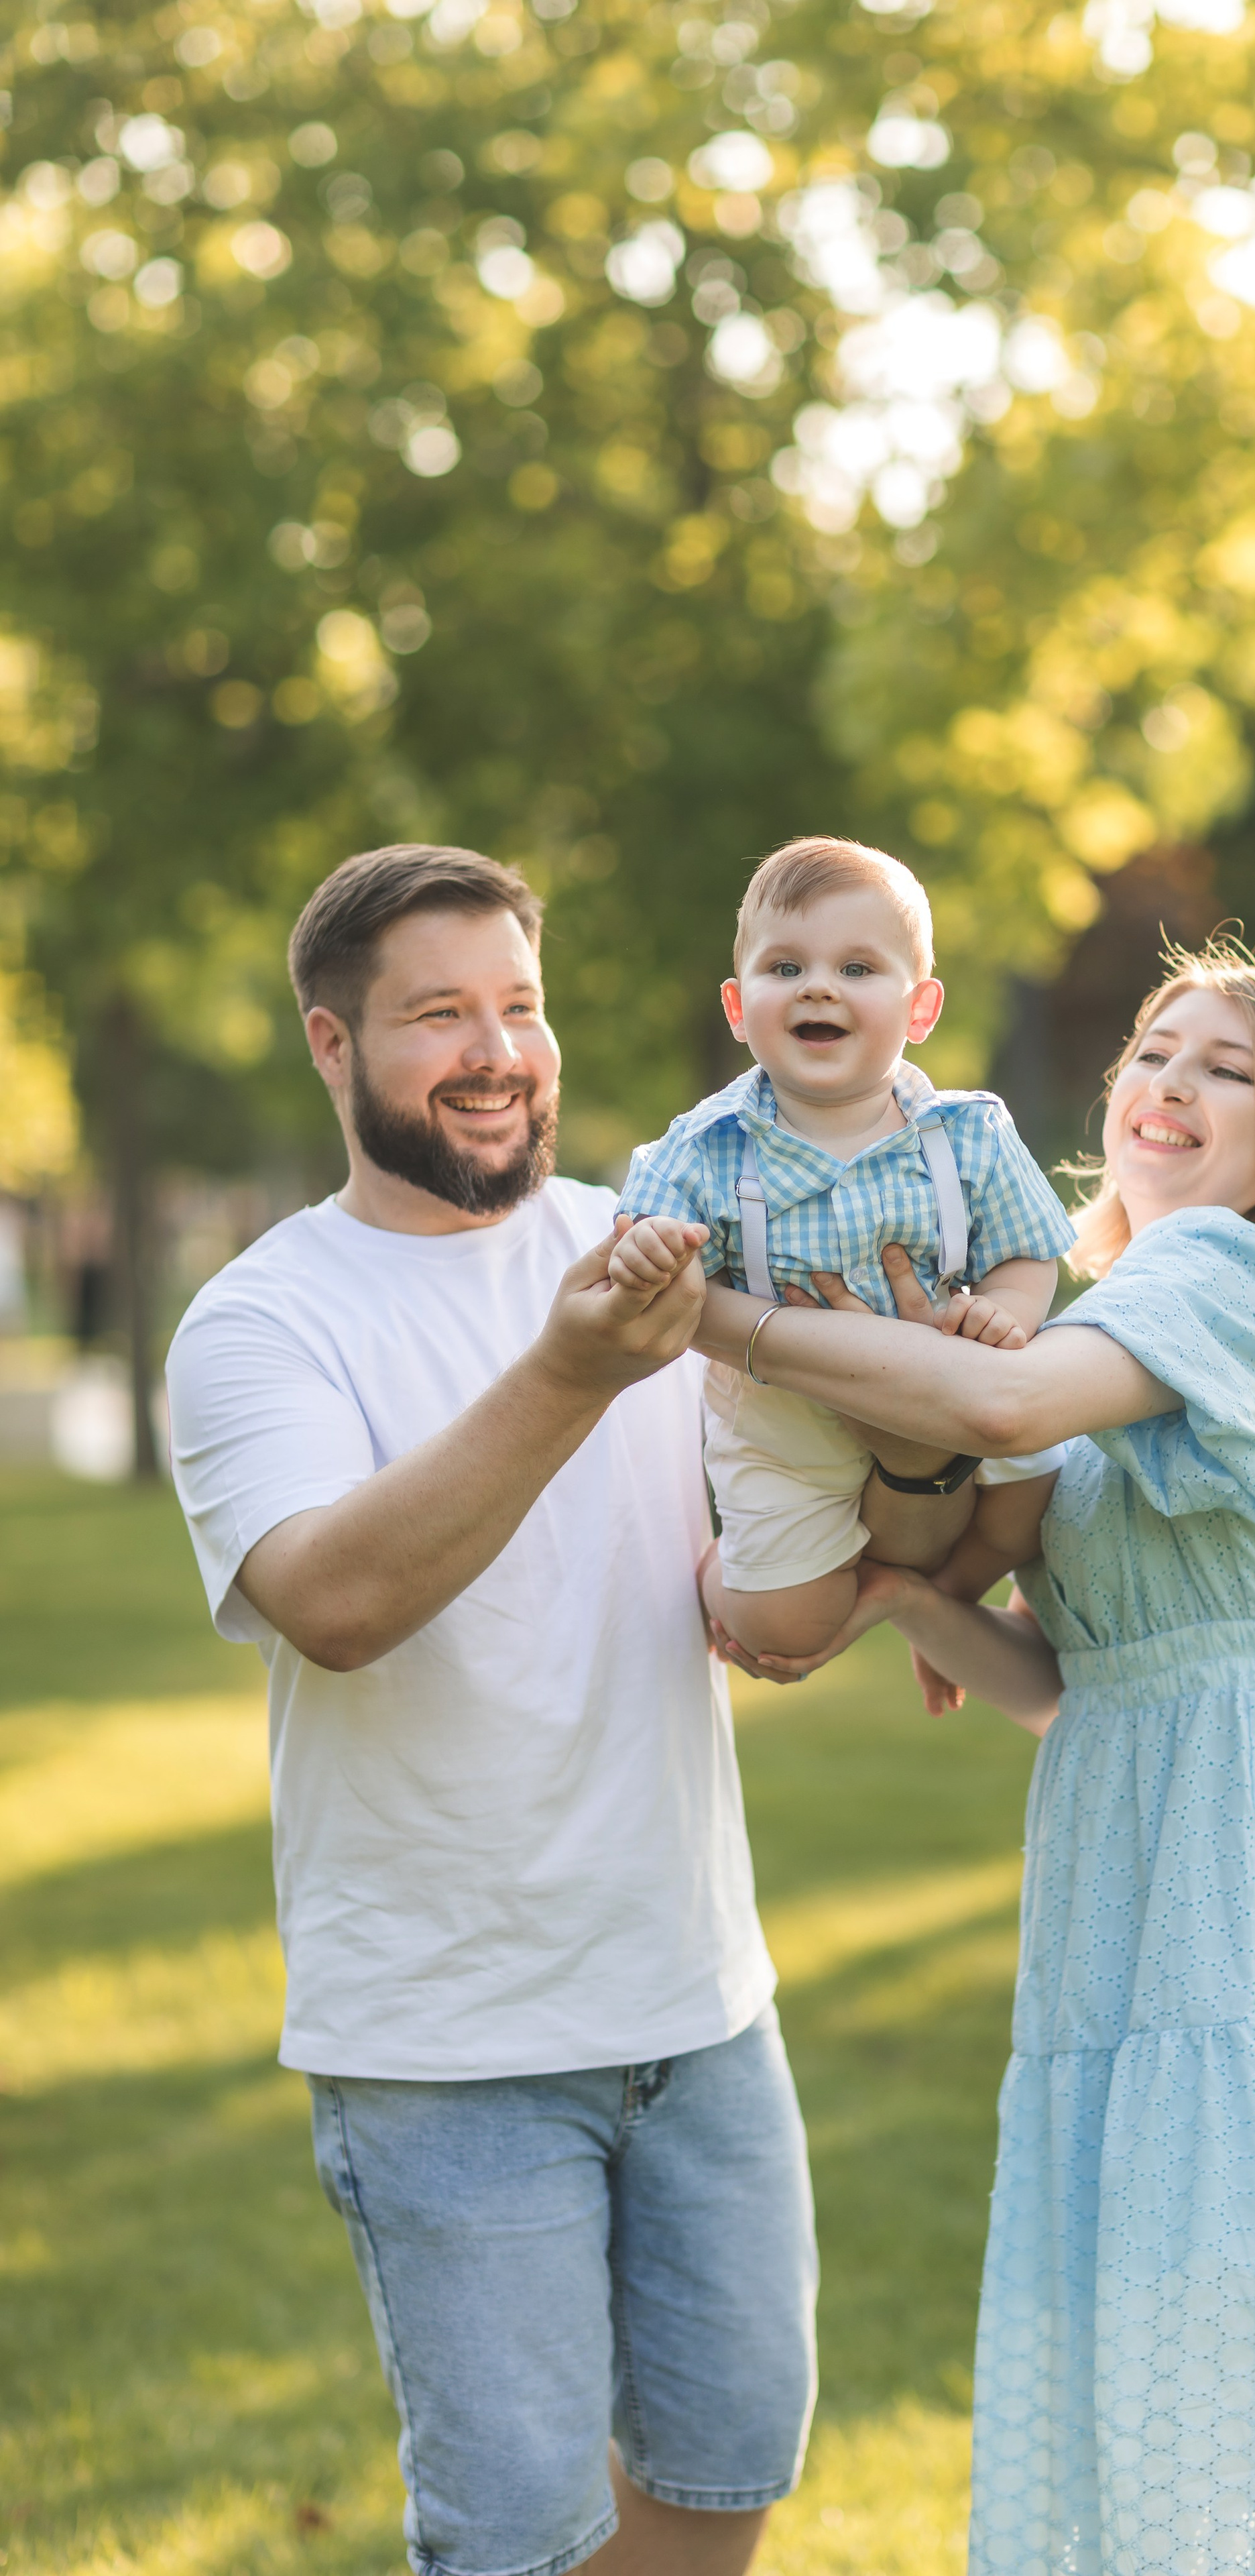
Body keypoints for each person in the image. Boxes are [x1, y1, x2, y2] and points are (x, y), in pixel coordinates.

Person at [696, 944, 1255, 2575]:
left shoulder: (1226, 1272)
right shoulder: (1131, 1300)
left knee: (1229, 2309)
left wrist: (723, 1317)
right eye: (1151, 1047)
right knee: (1154, 2304)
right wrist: (909, 1595)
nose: (1168, 1084)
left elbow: (995, 1396)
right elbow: (1076, 1686)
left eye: (1223, 1069)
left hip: (1247, 1843)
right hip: (1124, 1826)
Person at [165, 843, 817, 2576]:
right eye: (438, 1014)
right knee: (520, 2537)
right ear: (331, 1044)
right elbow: (340, 1601)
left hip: (698, 2006)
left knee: (725, 2469)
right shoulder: (265, 1322)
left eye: (519, 1007)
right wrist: (567, 1373)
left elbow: (766, 1522)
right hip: (447, 2048)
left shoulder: (646, 1244)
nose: (496, 1052)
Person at [613, 836, 1076, 1661]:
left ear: (921, 1009)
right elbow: (645, 1234)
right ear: (736, 1005)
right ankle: (735, 1578)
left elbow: (1029, 1250)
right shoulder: (707, 1144)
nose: (818, 985)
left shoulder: (966, 1135)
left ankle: (932, 1602)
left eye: (858, 969)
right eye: (784, 968)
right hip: (780, 1402)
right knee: (787, 1625)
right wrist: (649, 1247)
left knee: (1032, 1498)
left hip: (942, 1374)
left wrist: (1005, 1310)